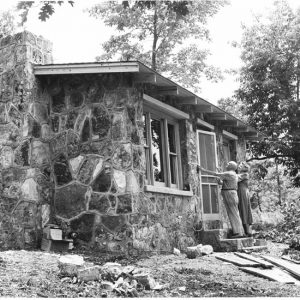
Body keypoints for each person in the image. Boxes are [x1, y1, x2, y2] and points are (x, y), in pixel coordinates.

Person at [199, 161, 245, 238]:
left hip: (229, 193)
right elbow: (226, 183)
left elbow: (216, 174)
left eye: (228, 164)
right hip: (231, 193)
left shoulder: (229, 173)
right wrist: (220, 182)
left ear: (232, 166)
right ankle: (239, 232)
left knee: (233, 213)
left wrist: (203, 170)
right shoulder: (234, 174)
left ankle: (238, 233)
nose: (227, 164)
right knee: (234, 213)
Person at [237, 162, 253, 236]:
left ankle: (247, 231)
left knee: (244, 209)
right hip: (241, 191)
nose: (239, 166)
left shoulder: (245, 174)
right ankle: (246, 230)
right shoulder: (242, 174)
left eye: (241, 165)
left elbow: (234, 179)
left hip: (242, 192)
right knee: (242, 209)